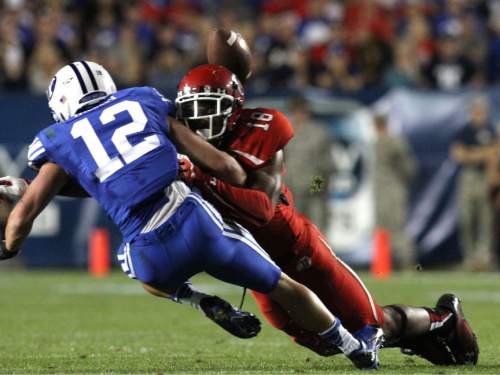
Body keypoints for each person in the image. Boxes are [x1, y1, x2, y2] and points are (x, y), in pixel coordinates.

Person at [0, 61, 382, 370]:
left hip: (147, 247)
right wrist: (224, 174)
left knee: (130, 262)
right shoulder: (143, 100)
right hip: (195, 222)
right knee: (282, 287)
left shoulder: (57, 139)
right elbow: (225, 168)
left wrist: (8, 247)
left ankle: (199, 300)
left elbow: (24, 218)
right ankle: (355, 348)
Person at [174, 64, 478, 366]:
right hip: (257, 265)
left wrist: (319, 186)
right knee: (324, 343)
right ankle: (420, 336)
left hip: (294, 244)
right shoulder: (178, 151)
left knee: (368, 326)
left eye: (208, 107)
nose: (200, 117)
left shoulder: (263, 132)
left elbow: (265, 207)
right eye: (193, 108)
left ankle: (442, 320)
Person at [451, 96, 496, 270]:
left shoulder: (491, 130)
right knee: (467, 218)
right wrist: (483, 153)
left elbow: (495, 154)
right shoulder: (464, 131)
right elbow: (459, 155)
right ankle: (469, 258)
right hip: (468, 177)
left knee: (485, 218)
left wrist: (473, 154)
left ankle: (483, 257)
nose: (479, 115)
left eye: (481, 111)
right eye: (476, 111)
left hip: (485, 175)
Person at [372, 113, 417, 270]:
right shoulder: (376, 141)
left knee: (397, 227)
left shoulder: (394, 141)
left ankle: (407, 263)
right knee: (382, 229)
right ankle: (383, 266)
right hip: (381, 190)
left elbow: (409, 167)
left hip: (392, 189)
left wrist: (400, 182)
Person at [284, 95, 334, 233]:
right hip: (291, 188)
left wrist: (317, 189)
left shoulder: (319, 132)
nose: (299, 114)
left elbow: (326, 164)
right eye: (296, 110)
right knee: (293, 228)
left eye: (302, 110)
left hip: (313, 188)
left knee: (317, 226)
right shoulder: (285, 131)